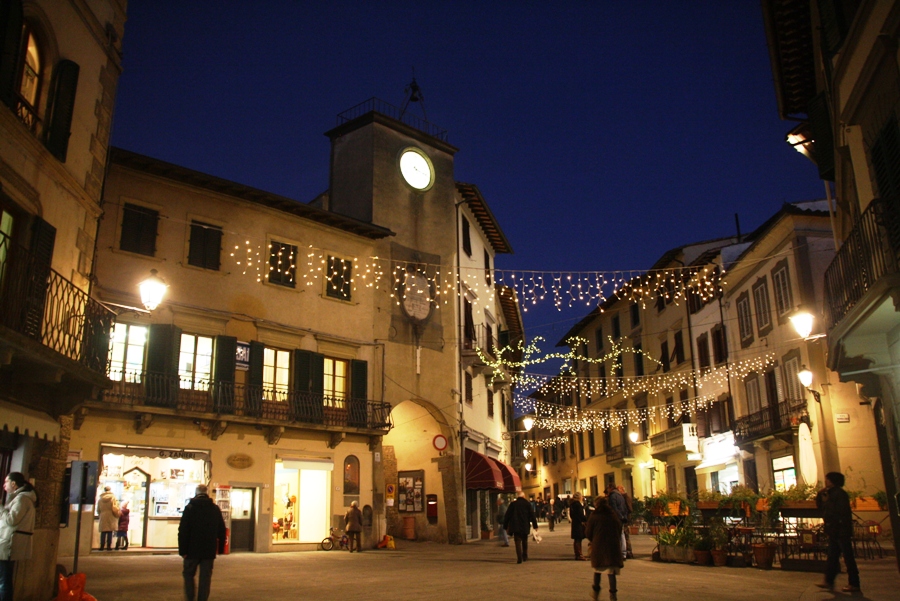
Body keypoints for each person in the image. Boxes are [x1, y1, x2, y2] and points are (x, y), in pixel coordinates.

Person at [178, 484, 226, 601]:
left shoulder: (190, 508)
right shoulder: (214, 509)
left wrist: (182, 550)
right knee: (205, 577)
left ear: (196, 493)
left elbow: (183, 530)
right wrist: (220, 549)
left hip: (191, 549)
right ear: (207, 493)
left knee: (188, 574)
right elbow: (221, 529)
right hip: (208, 549)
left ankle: (190, 597)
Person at [816, 471, 860, 593]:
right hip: (835, 530)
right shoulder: (830, 493)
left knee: (847, 557)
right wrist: (820, 495)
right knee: (832, 556)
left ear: (832, 481)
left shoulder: (839, 494)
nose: (825, 481)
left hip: (840, 530)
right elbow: (821, 507)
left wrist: (833, 523)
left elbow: (837, 512)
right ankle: (829, 581)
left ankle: (854, 583)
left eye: (827, 479)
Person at [0, 473, 36, 601]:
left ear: (13, 484)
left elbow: (11, 520)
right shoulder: (20, 498)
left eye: (6, 482)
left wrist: (0, 508)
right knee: (4, 578)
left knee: (4, 580)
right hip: (8, 543)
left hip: (9, 544)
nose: (4, 485)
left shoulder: (22, 499)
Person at [585, 496, 624, 601]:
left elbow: (588, 532)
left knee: (597, 570)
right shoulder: (613, 515)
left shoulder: (594, 516)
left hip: (599, 546)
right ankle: (613, 595)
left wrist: (594, 539)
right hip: (612, 547)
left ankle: (596, 592)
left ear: (596, 505)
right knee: (611, 572)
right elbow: (619, 528)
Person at [503, 491, 538, 564]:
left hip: (516, 526)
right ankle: (525, 556)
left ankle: (519, 558)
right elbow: (532, 515)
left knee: (517, 542)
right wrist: (535, 525)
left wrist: (505, 526)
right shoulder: (527, 504)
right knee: (525, 541)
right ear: (524, 496)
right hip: (525, 525)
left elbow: (507, 516)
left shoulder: (513, 504)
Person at [97, 486, 120, 551]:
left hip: (103, 515)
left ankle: (102, 546)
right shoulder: (113, 498)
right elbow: (115, 507)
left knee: (103, 532)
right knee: (110, 531)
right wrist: (117, 514)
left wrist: (101, 514)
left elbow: (98, 509)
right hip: (111, 515)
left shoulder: (100, 499)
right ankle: (108, 546)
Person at [616, 485, 634, 559]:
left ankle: (628, 551)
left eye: (618, 490)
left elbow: (630, 508)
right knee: (625, 535)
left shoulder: (625, 497)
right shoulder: (623, 497)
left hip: (626, 519)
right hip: (625, 518)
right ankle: (627, 551)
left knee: (626, 535)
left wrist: (625, 514)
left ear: (621, 490)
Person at [570, 491, 587, 560]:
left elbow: (572, 515)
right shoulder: (578, 505)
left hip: (575, 523)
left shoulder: (572, 504)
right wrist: (585, 519)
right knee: (578, 539)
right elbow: (580, 515)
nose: (582, 497)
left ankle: (577, 554)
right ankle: (579, 554)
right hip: (578, 523)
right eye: (581, 496)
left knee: (577, 539)